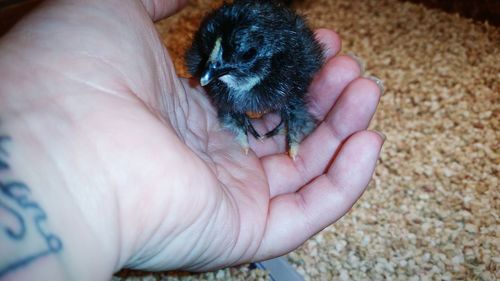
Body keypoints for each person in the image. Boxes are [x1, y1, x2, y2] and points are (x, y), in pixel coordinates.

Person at [0, 0, 384, 280]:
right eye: (214, 59)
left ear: (267, 59)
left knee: (285, 99)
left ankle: (284, 117)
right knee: (220, 80)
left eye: (228, 63)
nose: (207, 73)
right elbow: (212, 63)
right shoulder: (213, 60)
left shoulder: (287, 67)